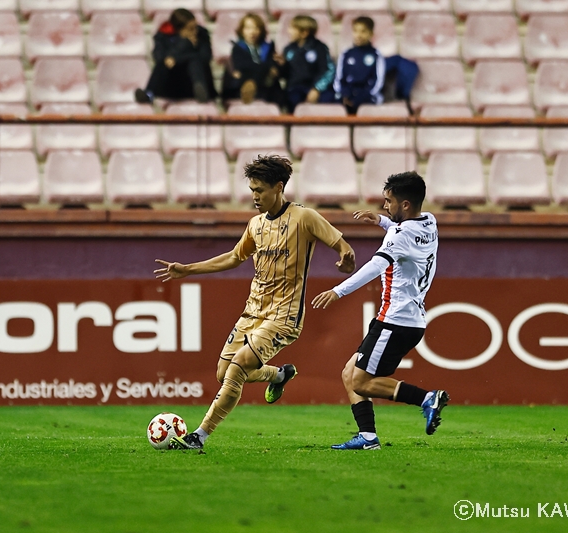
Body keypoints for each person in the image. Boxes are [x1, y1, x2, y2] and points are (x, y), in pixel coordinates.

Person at [154, 155, 356, 450]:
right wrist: (187, 269)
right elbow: (235, 257)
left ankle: (199, 435)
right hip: (252, 312)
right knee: (223, 374)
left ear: (278, 186)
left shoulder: (305, 217)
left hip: (284, 316)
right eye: (251, 190)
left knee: (237, 369)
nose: (254, 197)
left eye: (259, 190)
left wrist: (345, 260)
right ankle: (279, 373)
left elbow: (343, 247)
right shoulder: (256, 224)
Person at [312, 172, 448, 450]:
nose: (384, 206)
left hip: (395, 320)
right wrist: (382, 221)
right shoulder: (429, 221)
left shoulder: (399, 235)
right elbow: (404, 235)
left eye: (388, 202)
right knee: (350, 373)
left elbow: (376, 266)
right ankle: (368, 437)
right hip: (408, 319)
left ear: (406, 204)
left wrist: (338, 290)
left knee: (361, 382)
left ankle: (426, 398)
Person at [135, 8, 217, 104]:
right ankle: (149, 94)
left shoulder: (202, 34)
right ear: (178, 30)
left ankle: (201, 92)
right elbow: (159, 57)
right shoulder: (163, 35)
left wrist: (177, 57)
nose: (194, 31)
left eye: (195, 27)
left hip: (194, 81)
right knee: (163, 64)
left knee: (194, 60)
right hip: (173, 84)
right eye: (190, 28)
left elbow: (205, 57)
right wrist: (182, 44)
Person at [276, 15, 335, 113]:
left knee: (329, 99)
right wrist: (282, 65)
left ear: (304, 33)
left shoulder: (320, 48)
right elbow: (286, 75)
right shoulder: (289, 49)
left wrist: (316, 89)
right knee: (289, 98)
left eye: (292, 28)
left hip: (316, 88)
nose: (288, 32)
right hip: (295, 88)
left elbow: (329, 70)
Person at [327, 16, 385, 115]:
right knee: (333, 103)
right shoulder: (346, 54)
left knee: (363, 105)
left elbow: (378, 82)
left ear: (371, 34)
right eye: (355, 31)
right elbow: (338, 79)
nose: (358, 35)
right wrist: (345, 94)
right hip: (348, 93)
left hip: (367, 95)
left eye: (363, 31)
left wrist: (363, 95)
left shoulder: (376, 55)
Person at [221, 12, 282, 106]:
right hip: (243, 82)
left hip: (267, 86)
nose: (252, 32)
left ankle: (252, 84)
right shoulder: (238, 48)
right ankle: (250, 87)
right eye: (248, 28)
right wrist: (264, 67)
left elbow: (273, 67)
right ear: (242, 30)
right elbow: (241, 67)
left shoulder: (269, 47)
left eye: (256, 28)